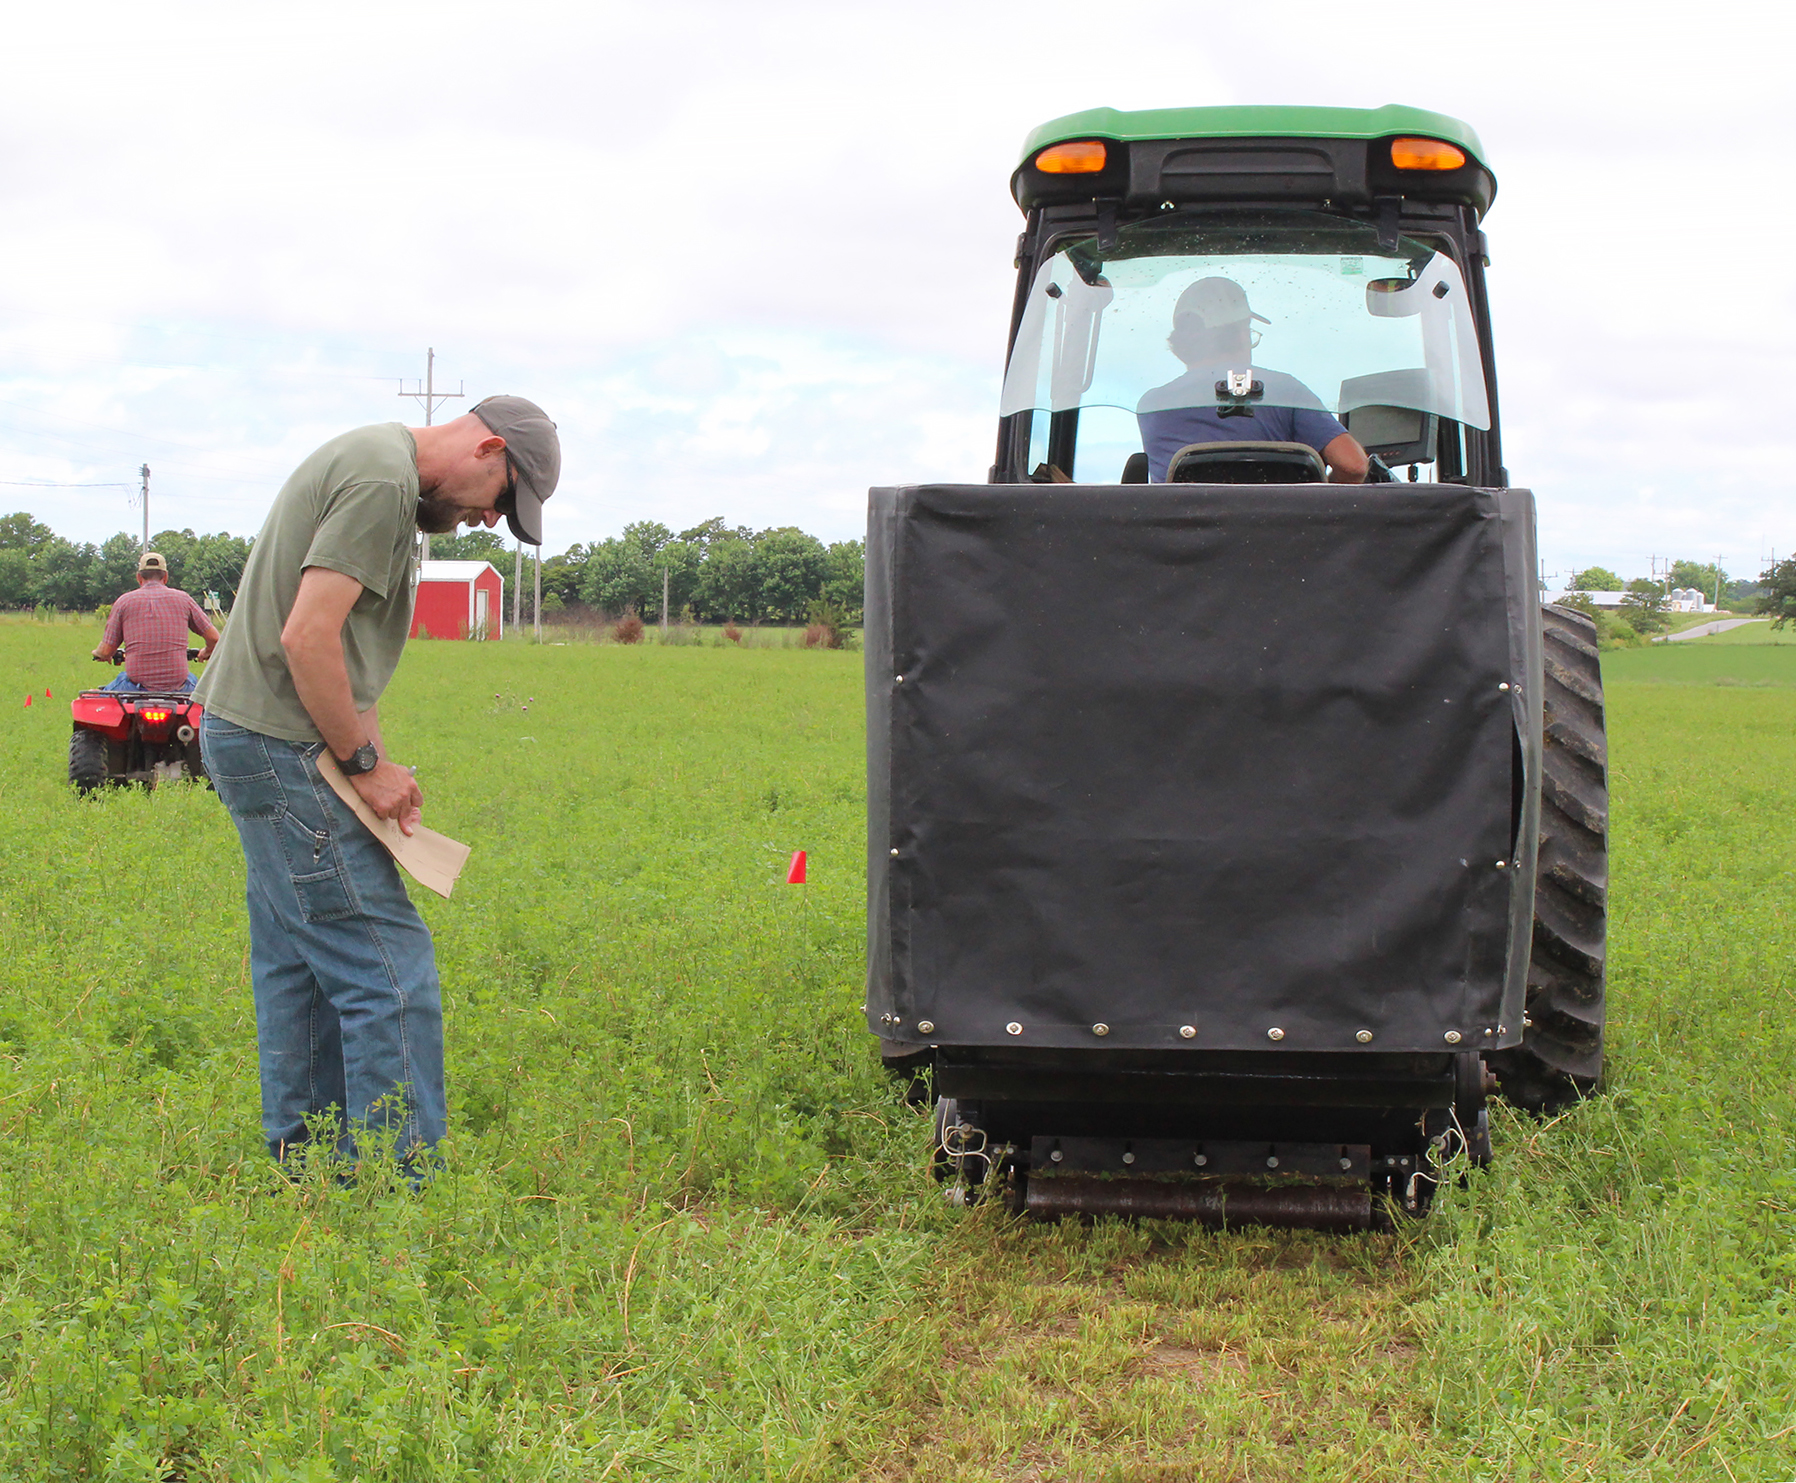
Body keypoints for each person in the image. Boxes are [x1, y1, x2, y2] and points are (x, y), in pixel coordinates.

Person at [194, 396, 560, 1176]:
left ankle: (312, 1164)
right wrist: (363, 766)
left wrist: (379, 779)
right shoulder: (380, 481)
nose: (490, 521)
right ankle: (397, 1189)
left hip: (259, 735)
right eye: (502, 498)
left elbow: (347, 662)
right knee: (390, 972)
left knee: (302, 961)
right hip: (282, 743)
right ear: (488, 447)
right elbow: (306, 637)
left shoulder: (378, 472)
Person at [1136, 277, 1369, 484]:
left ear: (1183, 343)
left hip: (1186, 533)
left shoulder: (1152, 406)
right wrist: (1321, 494)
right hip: (1282, 532)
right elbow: (1353, 466)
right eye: (1246, 328)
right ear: (1239, 333)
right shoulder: (1284, 391)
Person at [91, 551, 220, 693]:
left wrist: (98, 654)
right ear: (165, 577)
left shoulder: (124, 602)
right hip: (179, 685)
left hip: (135, 686)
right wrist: (205, 652)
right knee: (206, 703)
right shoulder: (184, 599)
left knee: (97, 699)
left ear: (139, 577)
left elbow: (105, 651)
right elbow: (215, 639)